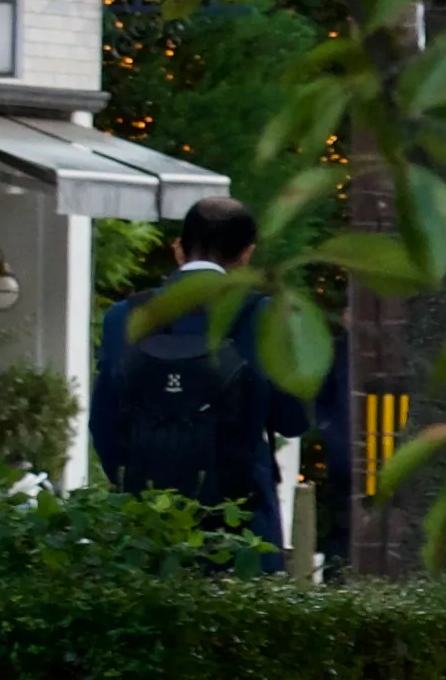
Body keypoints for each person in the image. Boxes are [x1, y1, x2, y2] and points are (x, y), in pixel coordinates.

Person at [89, 199, 335, 542]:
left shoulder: (124, 316)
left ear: (179, 249)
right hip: (241, 528)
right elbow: (292, 420)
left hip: (146, 527)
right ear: (247, 254)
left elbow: (102, 422)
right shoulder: (262, 316)